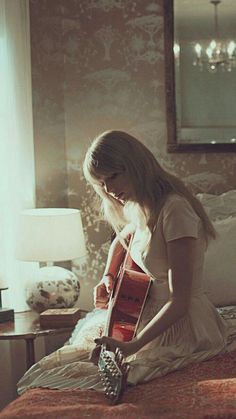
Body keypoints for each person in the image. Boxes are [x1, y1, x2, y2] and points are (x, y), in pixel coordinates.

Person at [17, 130, 228, 394]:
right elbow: (120, 241)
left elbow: (180, 301)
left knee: (116, 373)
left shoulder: (175, 210)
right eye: (101, 183)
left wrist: (134, 344)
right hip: (150, 312)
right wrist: (107, 276)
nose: (109, 190)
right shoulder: (141, 207)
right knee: (66, 364)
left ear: (135, 164)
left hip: (182, 322)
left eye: (113, 177)